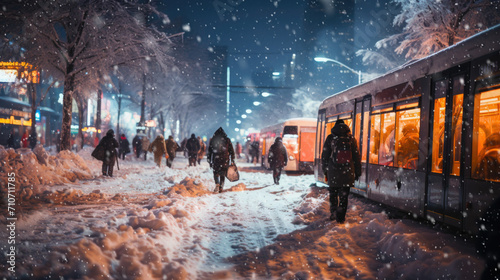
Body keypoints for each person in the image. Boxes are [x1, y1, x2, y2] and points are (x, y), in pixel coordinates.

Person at [321, 119, 361, 223]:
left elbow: (325, 156)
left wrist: (325, 170)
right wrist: (357, 172)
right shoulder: (351, 139)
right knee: (344, 197)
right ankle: (341, 217)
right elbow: (356, 157)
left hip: (333, 172)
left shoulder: (330, 138)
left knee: (333, 194)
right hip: (347, 172)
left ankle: (333, 212)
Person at [207, 127, 235, 193]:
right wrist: (232, 159)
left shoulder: (213, 140)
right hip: (225, 159)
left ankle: (217, 183)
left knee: (215, 172)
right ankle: (221, 187)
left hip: (216, 159)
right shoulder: (227, 140)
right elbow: (231, 150)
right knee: (223, 173)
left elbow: (210, 151)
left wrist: (209, 160)